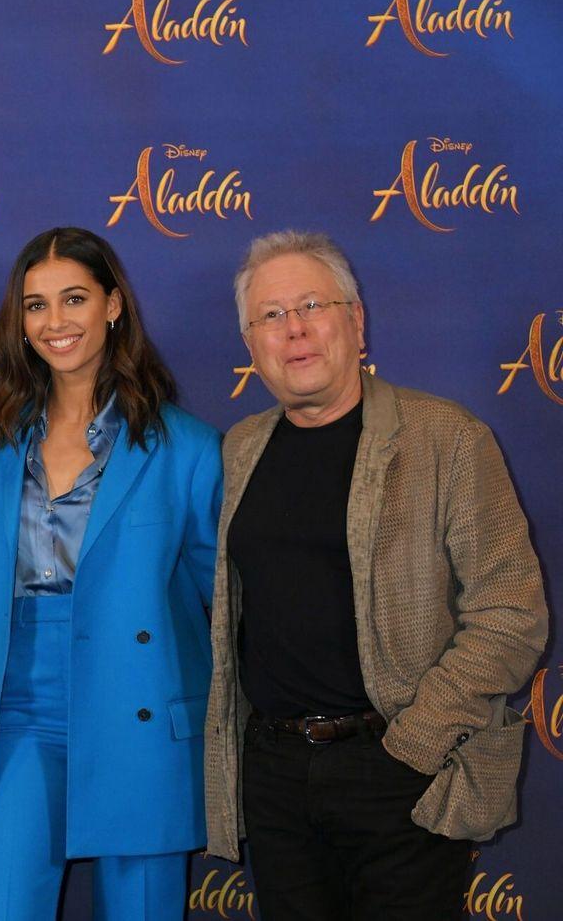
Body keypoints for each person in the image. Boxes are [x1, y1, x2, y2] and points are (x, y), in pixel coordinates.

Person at [203, 230, 549, 920]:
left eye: (312, 305)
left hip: (398, 768)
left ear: (356, 322)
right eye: (270, 315)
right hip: (275, 775)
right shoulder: (240, 447)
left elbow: (512, 612)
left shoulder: (447, 438)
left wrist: (414, 743)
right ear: (250, 341)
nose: (294, 328)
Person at [0, 227, 222, 919]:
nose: (55, 322)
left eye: (73, 298)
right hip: (14, 708)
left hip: (139, 705)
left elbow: (220, 604)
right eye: (35, 305)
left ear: (112, 305)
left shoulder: (187, 447)